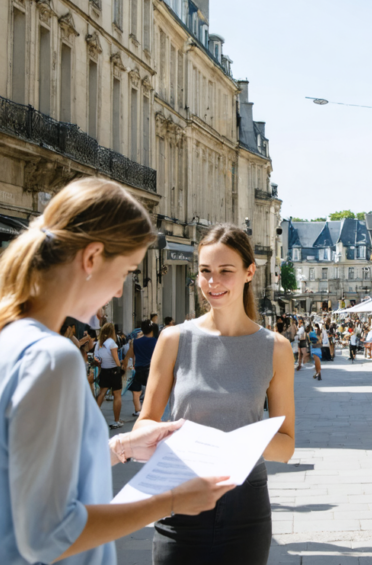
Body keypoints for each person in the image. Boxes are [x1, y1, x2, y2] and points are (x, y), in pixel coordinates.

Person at [0, 178, 232, 565]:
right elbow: (49, 534)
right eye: (125, 271)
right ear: (91, 258)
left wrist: (120, 448)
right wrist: (172, 501)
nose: (122, 291)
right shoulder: (52, 356)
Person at [135, 224, 296, 565]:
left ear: (249, 272)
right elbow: (144, 424)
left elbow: (286, 445)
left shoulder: (275, 348)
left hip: (246, 503)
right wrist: (171, 436)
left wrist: (239, 441)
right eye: (206, 271)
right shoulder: (173, 338)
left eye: (226, 271)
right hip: (179, 493)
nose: (213, 282)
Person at [93, 323, 124, 428]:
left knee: (101, 394)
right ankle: (116, 420)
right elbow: (116, 361)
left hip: (104, 371)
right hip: (114, 371)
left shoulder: (99, 344)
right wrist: (121, 366)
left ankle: (93, 417)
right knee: (117, 395)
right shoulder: (112, 343)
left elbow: (97, 359)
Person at [125, 319, 158, 417]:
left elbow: (128, 356)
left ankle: (138, 410)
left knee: (136, 392)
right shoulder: (157, 342)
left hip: (138, 369)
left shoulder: (136, 342)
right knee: (151, 391)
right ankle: (150, 410)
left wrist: (125, 368)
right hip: (151, 370)